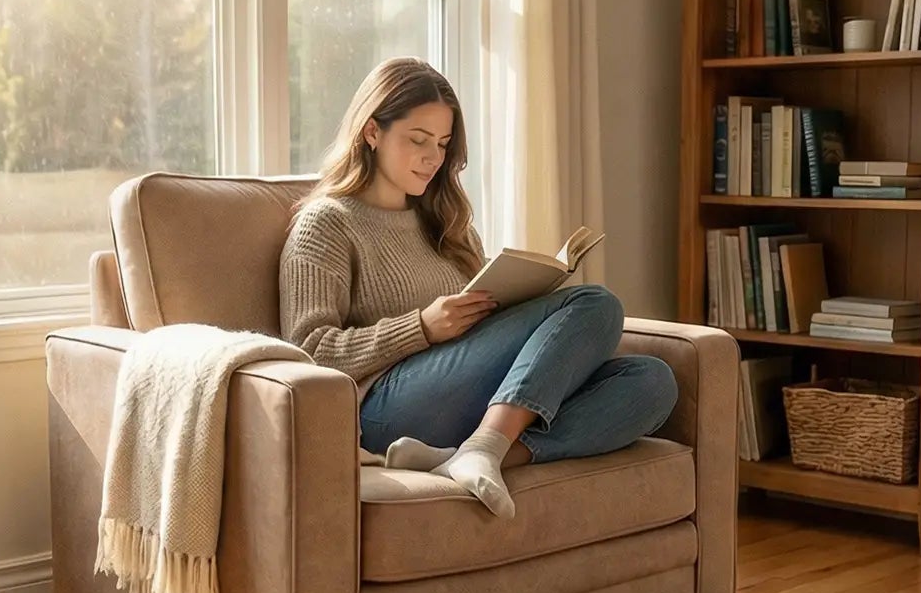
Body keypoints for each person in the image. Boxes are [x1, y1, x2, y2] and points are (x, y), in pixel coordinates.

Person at [278, 56, 678, 520]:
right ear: (372, 132)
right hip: (383, 408)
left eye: (444, 144)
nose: (433, 157)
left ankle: (472, 454)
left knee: (652, 382)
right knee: (597, 304)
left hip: (469, 395)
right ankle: (484, 446)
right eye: (418, 140)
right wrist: (421, 328)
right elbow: (308, 350)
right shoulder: (326, 224)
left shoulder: (447, 221)